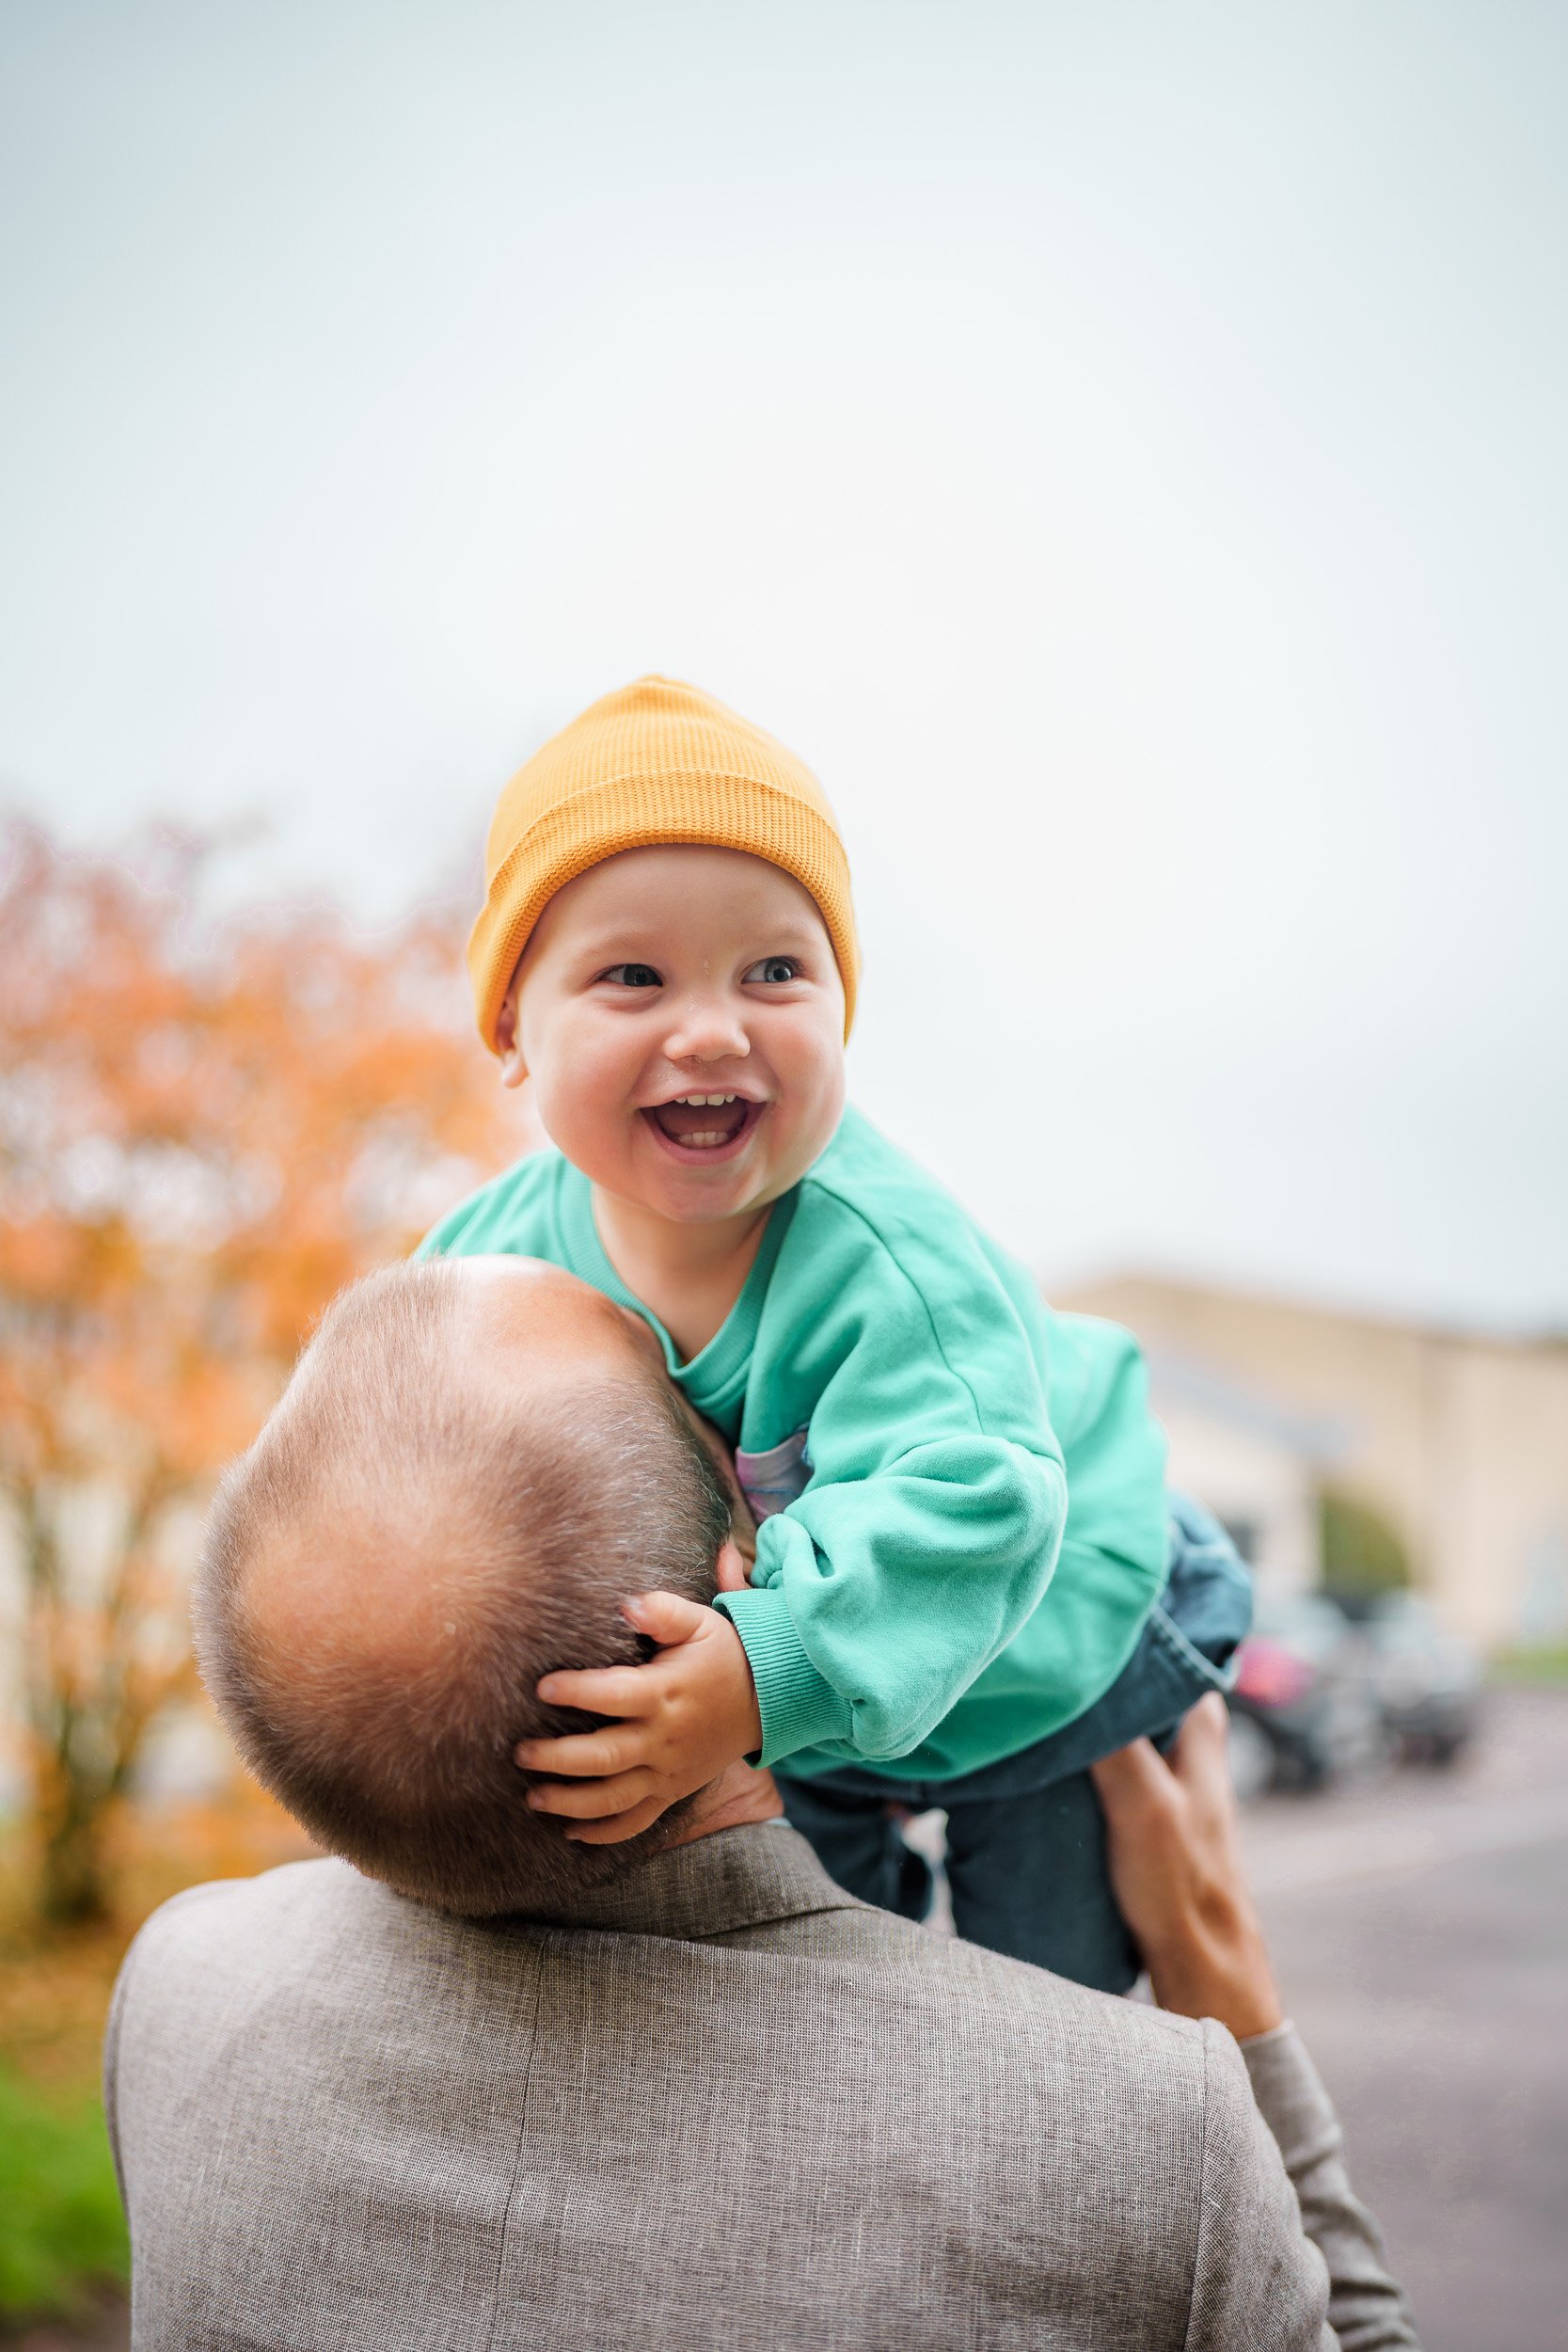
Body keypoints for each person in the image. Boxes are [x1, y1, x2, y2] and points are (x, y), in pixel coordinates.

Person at [108, 1255, 1418, 2348]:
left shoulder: (182, 1992)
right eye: (698, 1396)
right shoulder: (1140, 2131)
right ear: (739, 1591)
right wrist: (1232, 2013)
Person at [415, 673, 1252, 1989]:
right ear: (514, 1025)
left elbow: (979, 1501)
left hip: (1047, 1622)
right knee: (811, 1986)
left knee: (1051, 2010)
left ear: (840, 1009)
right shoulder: (483, 1275)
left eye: (775, 970)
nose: (710, 1026)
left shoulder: (886, 1258)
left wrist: (760, 1675)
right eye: (632, 974)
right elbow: (387, 1442)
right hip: (802, 1690)